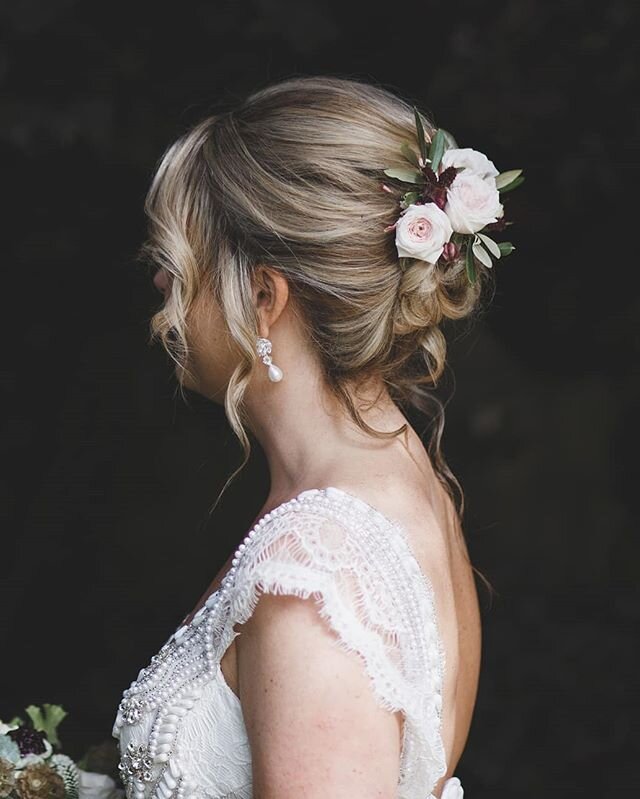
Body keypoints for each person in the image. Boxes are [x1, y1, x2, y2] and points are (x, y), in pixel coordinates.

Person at [112, 74, 507, 799]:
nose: (163, 291)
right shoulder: (396, 476)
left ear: (263, 297)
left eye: (179, 264)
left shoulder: (317, 580)